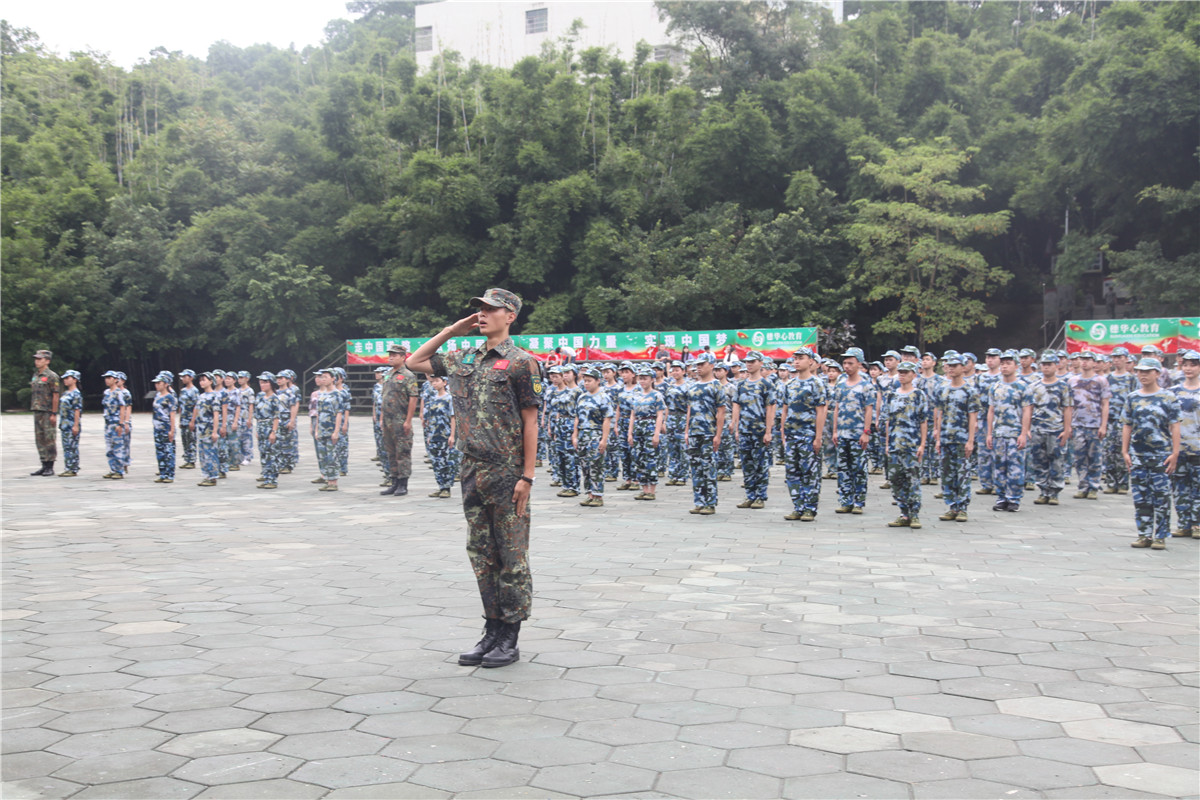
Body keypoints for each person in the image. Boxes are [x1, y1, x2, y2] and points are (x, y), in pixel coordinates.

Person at [407, 288, 540, 669]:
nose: (481, 314)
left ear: (510, 316)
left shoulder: (522, 363)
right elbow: (415, 362)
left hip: (507, 472)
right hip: (471, 470)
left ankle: (510, 635)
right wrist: (452, 330)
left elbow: (531, 420)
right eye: (479, 309)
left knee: (511, 555)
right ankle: (491, 628)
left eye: (490, 310)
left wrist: (527, 476)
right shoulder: (463, 357)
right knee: (481, 554)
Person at [1123, 357, 1181, 549]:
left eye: (1147, 371)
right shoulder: (1132, 397)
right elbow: (1127, 425)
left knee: (1161, 497)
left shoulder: (1168, 398)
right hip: (1138, 455)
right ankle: (1144, 534)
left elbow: (1175, 426)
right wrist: (1125, 451)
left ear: (1157, 373)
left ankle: (1160, 535)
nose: (1143, 375)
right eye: (1140, 371)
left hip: (1161, 455)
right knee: (1141, 498)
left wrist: (1175, 453)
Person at [780, 347, 826, 522]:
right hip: (792, 435)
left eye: (801, 358)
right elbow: (785, 410)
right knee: (792, 472)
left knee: (810, 472)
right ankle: (798, 506)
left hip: (808, 435)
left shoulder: (816, 384)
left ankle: (809, 508)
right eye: (795, 358)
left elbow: (820, 411)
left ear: (811, 361)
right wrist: (783, 434)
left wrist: (818, 437)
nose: (797, 361)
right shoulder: (790, 385)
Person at [933, 355, 978, 522]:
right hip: (946, 438)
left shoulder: (969, 391)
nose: (951, 368)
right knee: (947, 474)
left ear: (963, 367)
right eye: (949, 365)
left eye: (955, 365)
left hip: (961, 439)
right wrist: (938, 437)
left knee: (962, 474)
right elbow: (940, 414)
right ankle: (952, 506)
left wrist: (971, 440)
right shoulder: (943, 390)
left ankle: (962, 508)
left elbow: (973, 417)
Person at [832, 348, 876, 514]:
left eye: (850, 363)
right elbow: (836, 408)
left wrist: (866, 432)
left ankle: (858, 502)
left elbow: (869, 410)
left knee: (859, 469)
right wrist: (835, 431)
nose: (847, 366)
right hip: (842, 434)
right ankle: (845, 501)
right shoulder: (841, 385)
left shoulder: (866, 386)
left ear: (859, 364)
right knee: (843, 469)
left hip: (857, 434)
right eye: (845, 363)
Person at [987, 351, 1032, 512]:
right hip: (999, 433)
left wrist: (1024, 433)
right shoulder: (995, 387)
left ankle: (1014, 498)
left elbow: (1027, 411)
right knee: (999, 467)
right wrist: (989, 433)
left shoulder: (1023, 387)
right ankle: (1001, 498)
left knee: (1016, 468)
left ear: (1016, 366)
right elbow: (991, 411)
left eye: (1008, 363)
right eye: (1003, 364)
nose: (1005, 367)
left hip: (1015, 433)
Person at [885, 362, 928, 529]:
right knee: (896, 480)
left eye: (906, 372)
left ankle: (914, 514)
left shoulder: (918, 395)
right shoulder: (891, 395)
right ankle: (904, 513)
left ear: (914, 375)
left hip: (911, 444)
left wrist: (922, 444)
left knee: (912, 480)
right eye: (900, 372)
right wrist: (887, 443)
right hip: (895, 444)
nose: (902, 375)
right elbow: (888, 421)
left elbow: (923, 421)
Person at [1027, 353, 1073, 506]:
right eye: (1044, 364)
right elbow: (1029, 409)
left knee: (1057, 461)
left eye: (1049, 364)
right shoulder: (1034, 386)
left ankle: (1054, 492)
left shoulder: (1063, 386)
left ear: (1056, 366)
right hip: (1038, 429)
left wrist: (1067, 429)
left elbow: (1067, 408)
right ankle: (1043, 491)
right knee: (1039, 461)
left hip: (1056, 429)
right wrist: (1027, 429)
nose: (1046, 367)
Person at [682, 353, 726, 515]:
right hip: (694, 432)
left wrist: (718, 434)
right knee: (696, 468)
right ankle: (699, 501)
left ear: (712, 365)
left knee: (708, 467)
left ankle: (710, 502)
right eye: (697, 365)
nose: (698, 367)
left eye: (702, 364)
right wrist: (687, 431)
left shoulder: (716, 386)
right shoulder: (692, 387)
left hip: (709, 432)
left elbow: (721, 411)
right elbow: (689, 410)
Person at [1068, 352, 1110, 500]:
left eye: (1088, 360)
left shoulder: (1101, 381)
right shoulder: (1072, 381)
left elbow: (1105, 404)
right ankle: (1083, 486)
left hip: (1094, 424)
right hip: (1077, 424)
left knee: (1095, 457)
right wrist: (1068, 425)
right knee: (1079, 457)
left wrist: (1103, 425)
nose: (1084, 362)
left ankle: (1093, 486)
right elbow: (1068, 405)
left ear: (1094, 362)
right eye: (1082, 359)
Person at [380, 344, 419, 497]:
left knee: (403, 452)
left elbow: (413, 398)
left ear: (403, 357)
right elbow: (384, 397)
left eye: (394, 355)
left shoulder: (408, 376)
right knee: (390, 451)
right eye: (390, 355)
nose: (391, 357)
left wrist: (408, 420)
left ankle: (403, 483)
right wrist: (382, 418)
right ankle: (394, 481)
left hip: (400, 420)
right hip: (387, 420)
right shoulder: (388, 374)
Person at [1168, 350, 1199, 539]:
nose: (1188, 368)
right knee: (1179, 488)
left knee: (1198, 488)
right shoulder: (1173, 392)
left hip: (1198, 448)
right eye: (1185, 364)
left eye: (1193, 365)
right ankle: (1184, 524)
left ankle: (1197, 524)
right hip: (1178, 448)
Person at [574, 366, 613, 507]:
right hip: (583, 435)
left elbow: (607, 419)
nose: (586, 383)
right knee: (585, 466)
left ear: (598, 381)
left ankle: (598, 495)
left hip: (596, 434)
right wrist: (575, 435)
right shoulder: (582, 397)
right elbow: (577, 417)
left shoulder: (603, 397)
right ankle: (589, 494)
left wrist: (604, 439)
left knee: (596, 465)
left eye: (589, 380)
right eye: (585, 380)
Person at [627, 366, 665, 500]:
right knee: (638, 458)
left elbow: (660, 415)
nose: (642, 381)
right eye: (640, 378)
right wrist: (630, 433)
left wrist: (656, 433)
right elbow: (632, 415)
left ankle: (652, 490)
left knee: (651, 458)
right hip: (638, 428)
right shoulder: (636, 395)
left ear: (652, 380)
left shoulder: (656, 395)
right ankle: (644, 488)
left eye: (645, 379)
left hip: (650, 426)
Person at [1104, 347, 1136, 494]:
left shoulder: (1131, 379)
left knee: (1123, 451)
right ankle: (1111, 483)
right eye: (1114, 357)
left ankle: (1123, 483)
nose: (1116, 360)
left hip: (1125, 421)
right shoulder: (1108, 378)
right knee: (1109, 452)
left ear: (1126, 359)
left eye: (1119, 357)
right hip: (1110, 420)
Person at [424, 375, 458, 498]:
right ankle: (441, 486)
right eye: (433, 382)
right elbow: (430, 418)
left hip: (445, 435)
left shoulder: (449, 398)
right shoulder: (432, 398)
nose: (434, 383)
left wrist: (452, 435)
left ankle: (447, 488)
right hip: (434, 435)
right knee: (436, 462)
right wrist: (429, 435)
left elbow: (453, 417)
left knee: (446, 462)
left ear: (444, 383)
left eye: (437, 381)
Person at [312, 369, 345, 492]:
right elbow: (318, 414)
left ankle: (333, 481)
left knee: (332, 456)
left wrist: (336, 431)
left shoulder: (337, 394)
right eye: (322, 377)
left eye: (325, 377)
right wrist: (316, 430)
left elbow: (339, 413)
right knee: (323, 456)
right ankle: (327, 479)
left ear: (333, 379)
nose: (323, 379)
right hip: (322, 430)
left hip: (331, 430)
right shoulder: (321, 395)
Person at [30, 349, 62, 476]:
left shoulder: (52, 376)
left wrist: (54, 413)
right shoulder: (35, 375)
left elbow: (56, 395)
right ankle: (43, 464)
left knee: (49, 438)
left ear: (47, 361)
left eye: (40, 359)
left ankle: (50, 466)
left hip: (47, 411)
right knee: (39, 438)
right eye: (36, 359)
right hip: (37, 410)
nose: (37, 361)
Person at [662, 360, 691, 486]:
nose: (675, 373)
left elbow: (690, 407)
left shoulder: (688, 387)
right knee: (672, 448)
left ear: (683, 371)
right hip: (671, 419)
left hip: (683, 418)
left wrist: (688, 424)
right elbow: (667, 406)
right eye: (673, 370)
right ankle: (673, 474)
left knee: (683, 449)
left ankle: (682, 476)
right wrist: (665, 421)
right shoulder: (670, 387)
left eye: (677, 370)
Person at [191, 373, 221, 486]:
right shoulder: (201, 396)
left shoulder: (214, 396)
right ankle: (206, 475)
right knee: (202, 453)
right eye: (200, 380)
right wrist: (193, 421)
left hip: (209, 428)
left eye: (204, 380)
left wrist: (215, 431)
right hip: (200, 429)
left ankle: (212, 476)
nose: (201, 382)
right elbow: (196, 410)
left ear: (211, 381)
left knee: (210, 452)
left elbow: (216, 415)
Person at [254, 372, 282, 489]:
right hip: (261, 426)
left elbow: (276, 417)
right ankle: (266, 477)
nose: (262, 385)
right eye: (261, 382)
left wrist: (273, 432)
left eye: (265, 382)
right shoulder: (260, 397)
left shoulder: (274, 398)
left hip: (270, 427)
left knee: (271, 454)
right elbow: (257, 415)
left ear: (271, 384)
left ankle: (272, 479)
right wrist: (257, 429)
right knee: (263, 453)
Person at [101, 370, 129, 479]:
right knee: (109, 448)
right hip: (108, 424)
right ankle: (113, 469)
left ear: (115, 379)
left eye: (109, 378)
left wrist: (121, 423)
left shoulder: (119, 393)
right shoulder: (106, 392)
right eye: (106, 378)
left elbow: (122, 408)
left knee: (117, 447)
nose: (107, 380)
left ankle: (119, 470)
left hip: (116, 423)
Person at [151, 373, 179, 483]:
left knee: (168, 452)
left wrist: (172, 430)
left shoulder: (170, 397)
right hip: (157, 428)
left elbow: (172, 414)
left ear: (166, 384)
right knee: (160, 452)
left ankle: (170, 475)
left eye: (159, 383)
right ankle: (162, 474)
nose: (157, 385)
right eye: (156, 383)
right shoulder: (157, 396)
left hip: (166, 428)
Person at [58, 370, 83, 477]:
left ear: (75, 380)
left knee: (72, 446)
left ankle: (73, 468)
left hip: (72, 423)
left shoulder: (76, 394)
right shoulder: (65, 393)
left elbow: (77, 410)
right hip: (64, 424)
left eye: (67, 378)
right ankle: (68, 467)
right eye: (64, 378)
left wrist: (76, 425)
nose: (65, 380)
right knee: (66, 447)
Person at [178, 370, 199, 469]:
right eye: (182, 377)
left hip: (190, 419)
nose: (183, 378)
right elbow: (181, 406)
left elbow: (196, 406)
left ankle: (192, 460)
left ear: (191, 378)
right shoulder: (183, 390)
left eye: (185, 376)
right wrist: (180, 419)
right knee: (184, 440)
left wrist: (193, 421)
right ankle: (187, 459)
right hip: (183, 419)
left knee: (191, 440)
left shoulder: (194, 391)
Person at [237, 371, 255, 466]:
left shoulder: (249, 391)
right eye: (239, 378)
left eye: (242, 377)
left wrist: (249, 419)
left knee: (247, 438)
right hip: (239, 417)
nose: (239, 379)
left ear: (247, 379)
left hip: (246, 416)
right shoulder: (237, 390)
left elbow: (251, 405)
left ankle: (248, 457)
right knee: (239, 437)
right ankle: (240, 457)